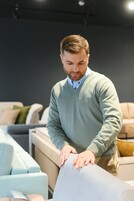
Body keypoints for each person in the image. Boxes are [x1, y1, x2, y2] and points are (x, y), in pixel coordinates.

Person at [47, 34, 122, 175]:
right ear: (61, 58)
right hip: (72, 160)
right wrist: (63, 145)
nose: (75, 69)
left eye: (81, 63)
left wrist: (92, 150)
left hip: (102, 160)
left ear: (88, 57)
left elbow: (114, 121)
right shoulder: (57, 90)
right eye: (69, 63)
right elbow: (53, 125)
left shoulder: (102, 84)